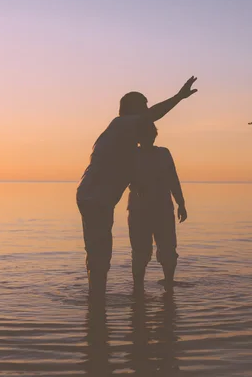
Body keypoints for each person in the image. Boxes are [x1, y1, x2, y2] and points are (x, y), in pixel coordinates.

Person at [77, 76, 198, 297]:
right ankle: (96, 302)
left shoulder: (126, 141)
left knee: (99, 253)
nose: (146, 111)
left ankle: (97, 302)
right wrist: (180, 97)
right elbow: (152, 116)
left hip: (95, 197)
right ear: (134, 109)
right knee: (99, 254)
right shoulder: (121, 123)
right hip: (95, 197)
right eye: (143, 106)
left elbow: (135, 169)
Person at [128, 122, 187, 292]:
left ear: (155, 136)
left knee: (168, 249)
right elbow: (122, 178)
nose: (149, 138)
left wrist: (181, 203)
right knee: (140, 252)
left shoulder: (164, 153)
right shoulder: (132, 155)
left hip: (163, 209)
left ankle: (169, 284)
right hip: (139, 210)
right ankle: (138, 288)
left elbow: (173, 179)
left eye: (151, 134)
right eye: (145, 135)